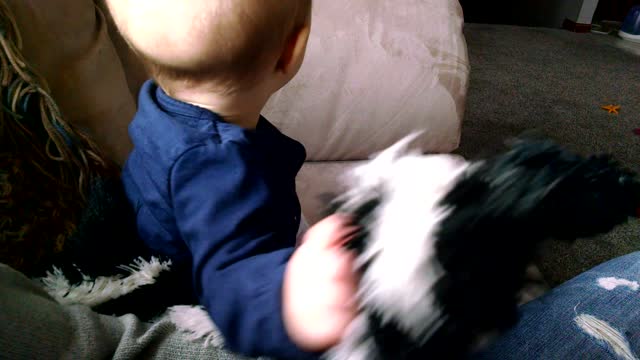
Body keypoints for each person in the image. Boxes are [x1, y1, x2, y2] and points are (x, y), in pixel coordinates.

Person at [104, 0, 359, 359]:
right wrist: (300, 306)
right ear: (291, 51)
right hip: (196, 300)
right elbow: (233, 277)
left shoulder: (162, 106)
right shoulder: (215, 170)